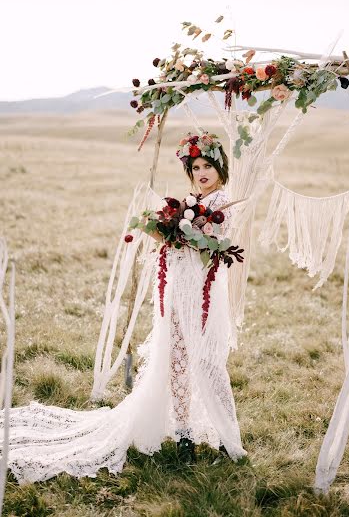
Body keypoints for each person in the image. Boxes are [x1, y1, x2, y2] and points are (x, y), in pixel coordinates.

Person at [0, 132, 246, 484]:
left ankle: (227, 436)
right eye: (196, 167)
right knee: (176, 360)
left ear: (220, 168)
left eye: (208, 165)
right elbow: (177, 246)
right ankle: (184, 433)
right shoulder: (189, 201)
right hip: (178, 291)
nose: (202, 172)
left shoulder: (224, 204)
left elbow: (214, 246)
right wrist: (164, 232)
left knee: (208, 362)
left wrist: (185, 232)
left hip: (205, 296)